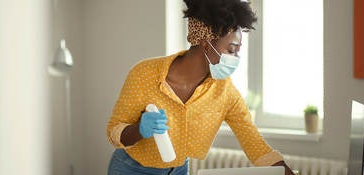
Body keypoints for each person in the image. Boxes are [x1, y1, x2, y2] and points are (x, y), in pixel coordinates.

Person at [106, 0, 295, 174]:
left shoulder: (225, 93)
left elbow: (255, 145)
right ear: (206, 45)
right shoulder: (144, 74)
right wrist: (139, 129)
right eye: (231, 50)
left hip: (179, 170)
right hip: (131, 169)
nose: (236, 59)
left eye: (238, 52)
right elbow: (114, 131)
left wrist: (285, 172)